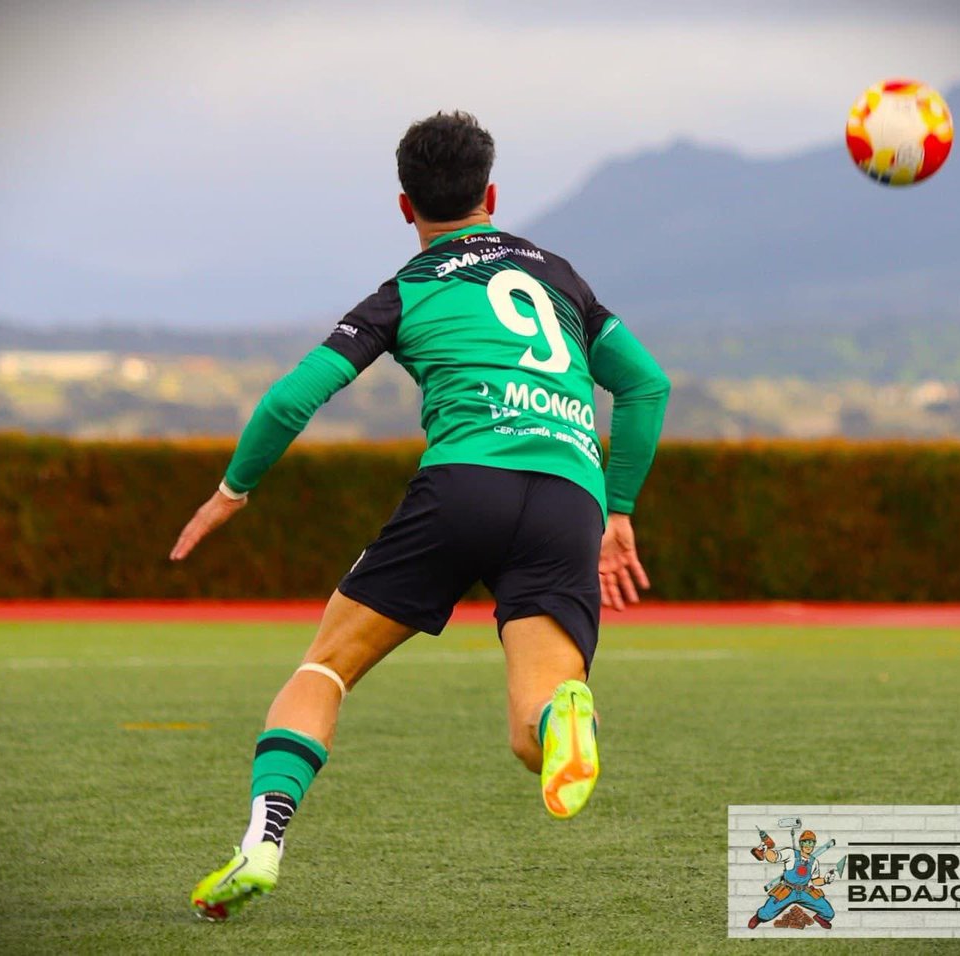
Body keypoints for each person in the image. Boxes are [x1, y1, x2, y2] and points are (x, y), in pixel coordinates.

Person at [170, 110, 670, 921]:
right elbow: (646, 385)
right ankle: (562, 713)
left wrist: (232, 491)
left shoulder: (403, 292)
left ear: (406, 207)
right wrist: (619, 511)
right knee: (528, 734)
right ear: (492, 194)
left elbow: (295, 396)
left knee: (325, 669)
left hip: (462, 483)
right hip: (568, 496)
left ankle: (262, 840)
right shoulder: (560, 277)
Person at [748, 830, 836, 929]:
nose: (808, 845)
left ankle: (821, 918)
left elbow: (815, 880)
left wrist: (825, 880)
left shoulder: (814, 862)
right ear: (800, 843)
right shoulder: (791, 853)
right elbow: (774, 857)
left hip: (804, 892)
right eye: (805, 842)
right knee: (765, 913)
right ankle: (758, 918)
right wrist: (766, 850)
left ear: (814, 844)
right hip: (787, 890)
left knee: (829, 912)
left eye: (811, 843)